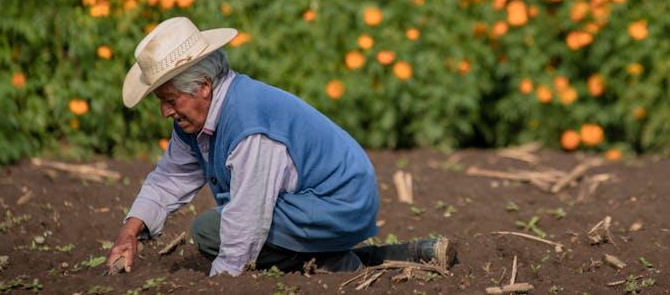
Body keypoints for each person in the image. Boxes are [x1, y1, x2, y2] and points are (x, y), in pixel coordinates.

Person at [105, 16, 456, 277]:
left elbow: (247, 219)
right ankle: (349, 258)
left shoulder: (248, 123)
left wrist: (223, 281)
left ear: (203, 86)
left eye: (170, 99)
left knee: (212, 232)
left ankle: (341, 262)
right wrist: (129, 232)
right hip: (309, 201)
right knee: (216, 227)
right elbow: (170, 178)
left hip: (341, 200)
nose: (165, 111)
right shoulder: (194, 120)